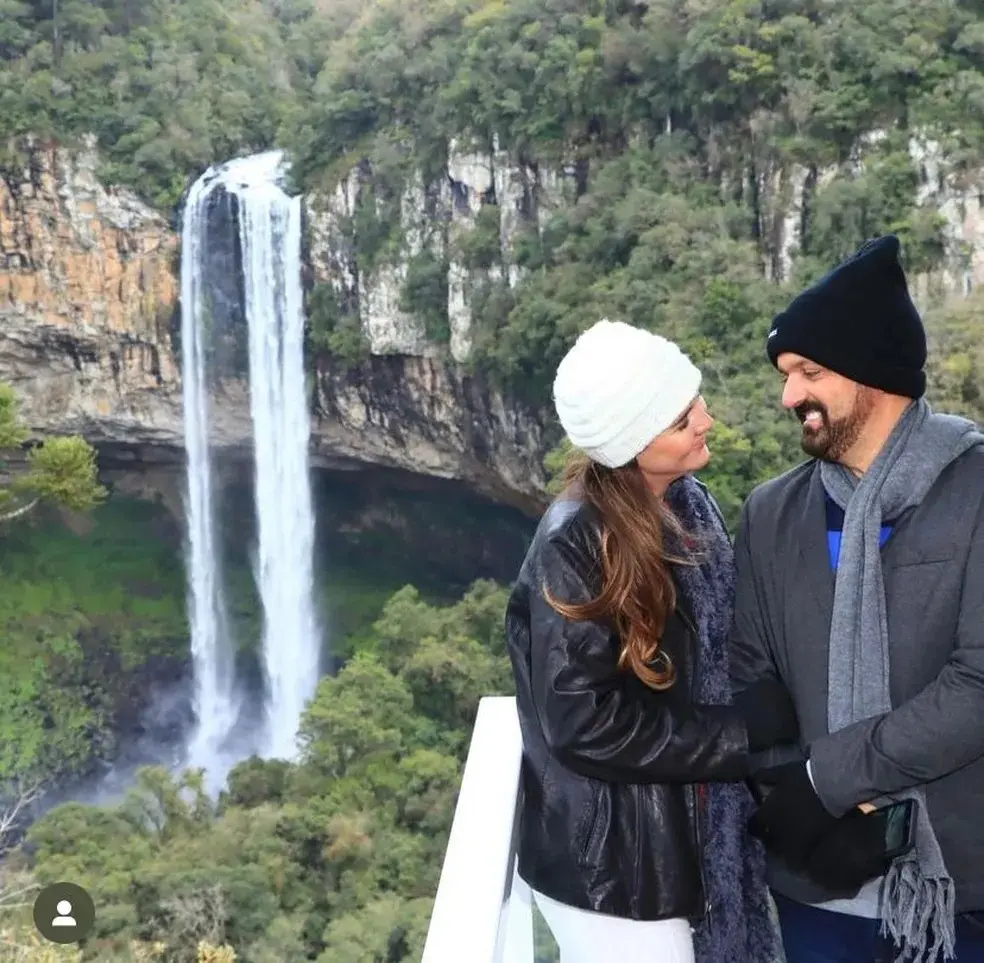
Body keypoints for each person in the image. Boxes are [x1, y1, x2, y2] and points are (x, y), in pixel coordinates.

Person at [503, 318, 795, 963]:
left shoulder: (687, 503)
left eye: (695, 403)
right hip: (623, 869)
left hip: (685, 833)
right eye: (680, 418)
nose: (707, 421)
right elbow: (583, 725)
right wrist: (738, 733)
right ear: (632, 441)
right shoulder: (577, 541)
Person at [730, 234, 984, 963]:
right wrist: (800, 810)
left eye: (809, 370)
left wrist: (828, 781)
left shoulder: (973, 491)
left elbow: (977, 685)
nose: (788, 396)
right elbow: (752, 676)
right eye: (785, 374)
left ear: (876, 374)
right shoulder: (771, 512)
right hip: (818, 888)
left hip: (957, 889)